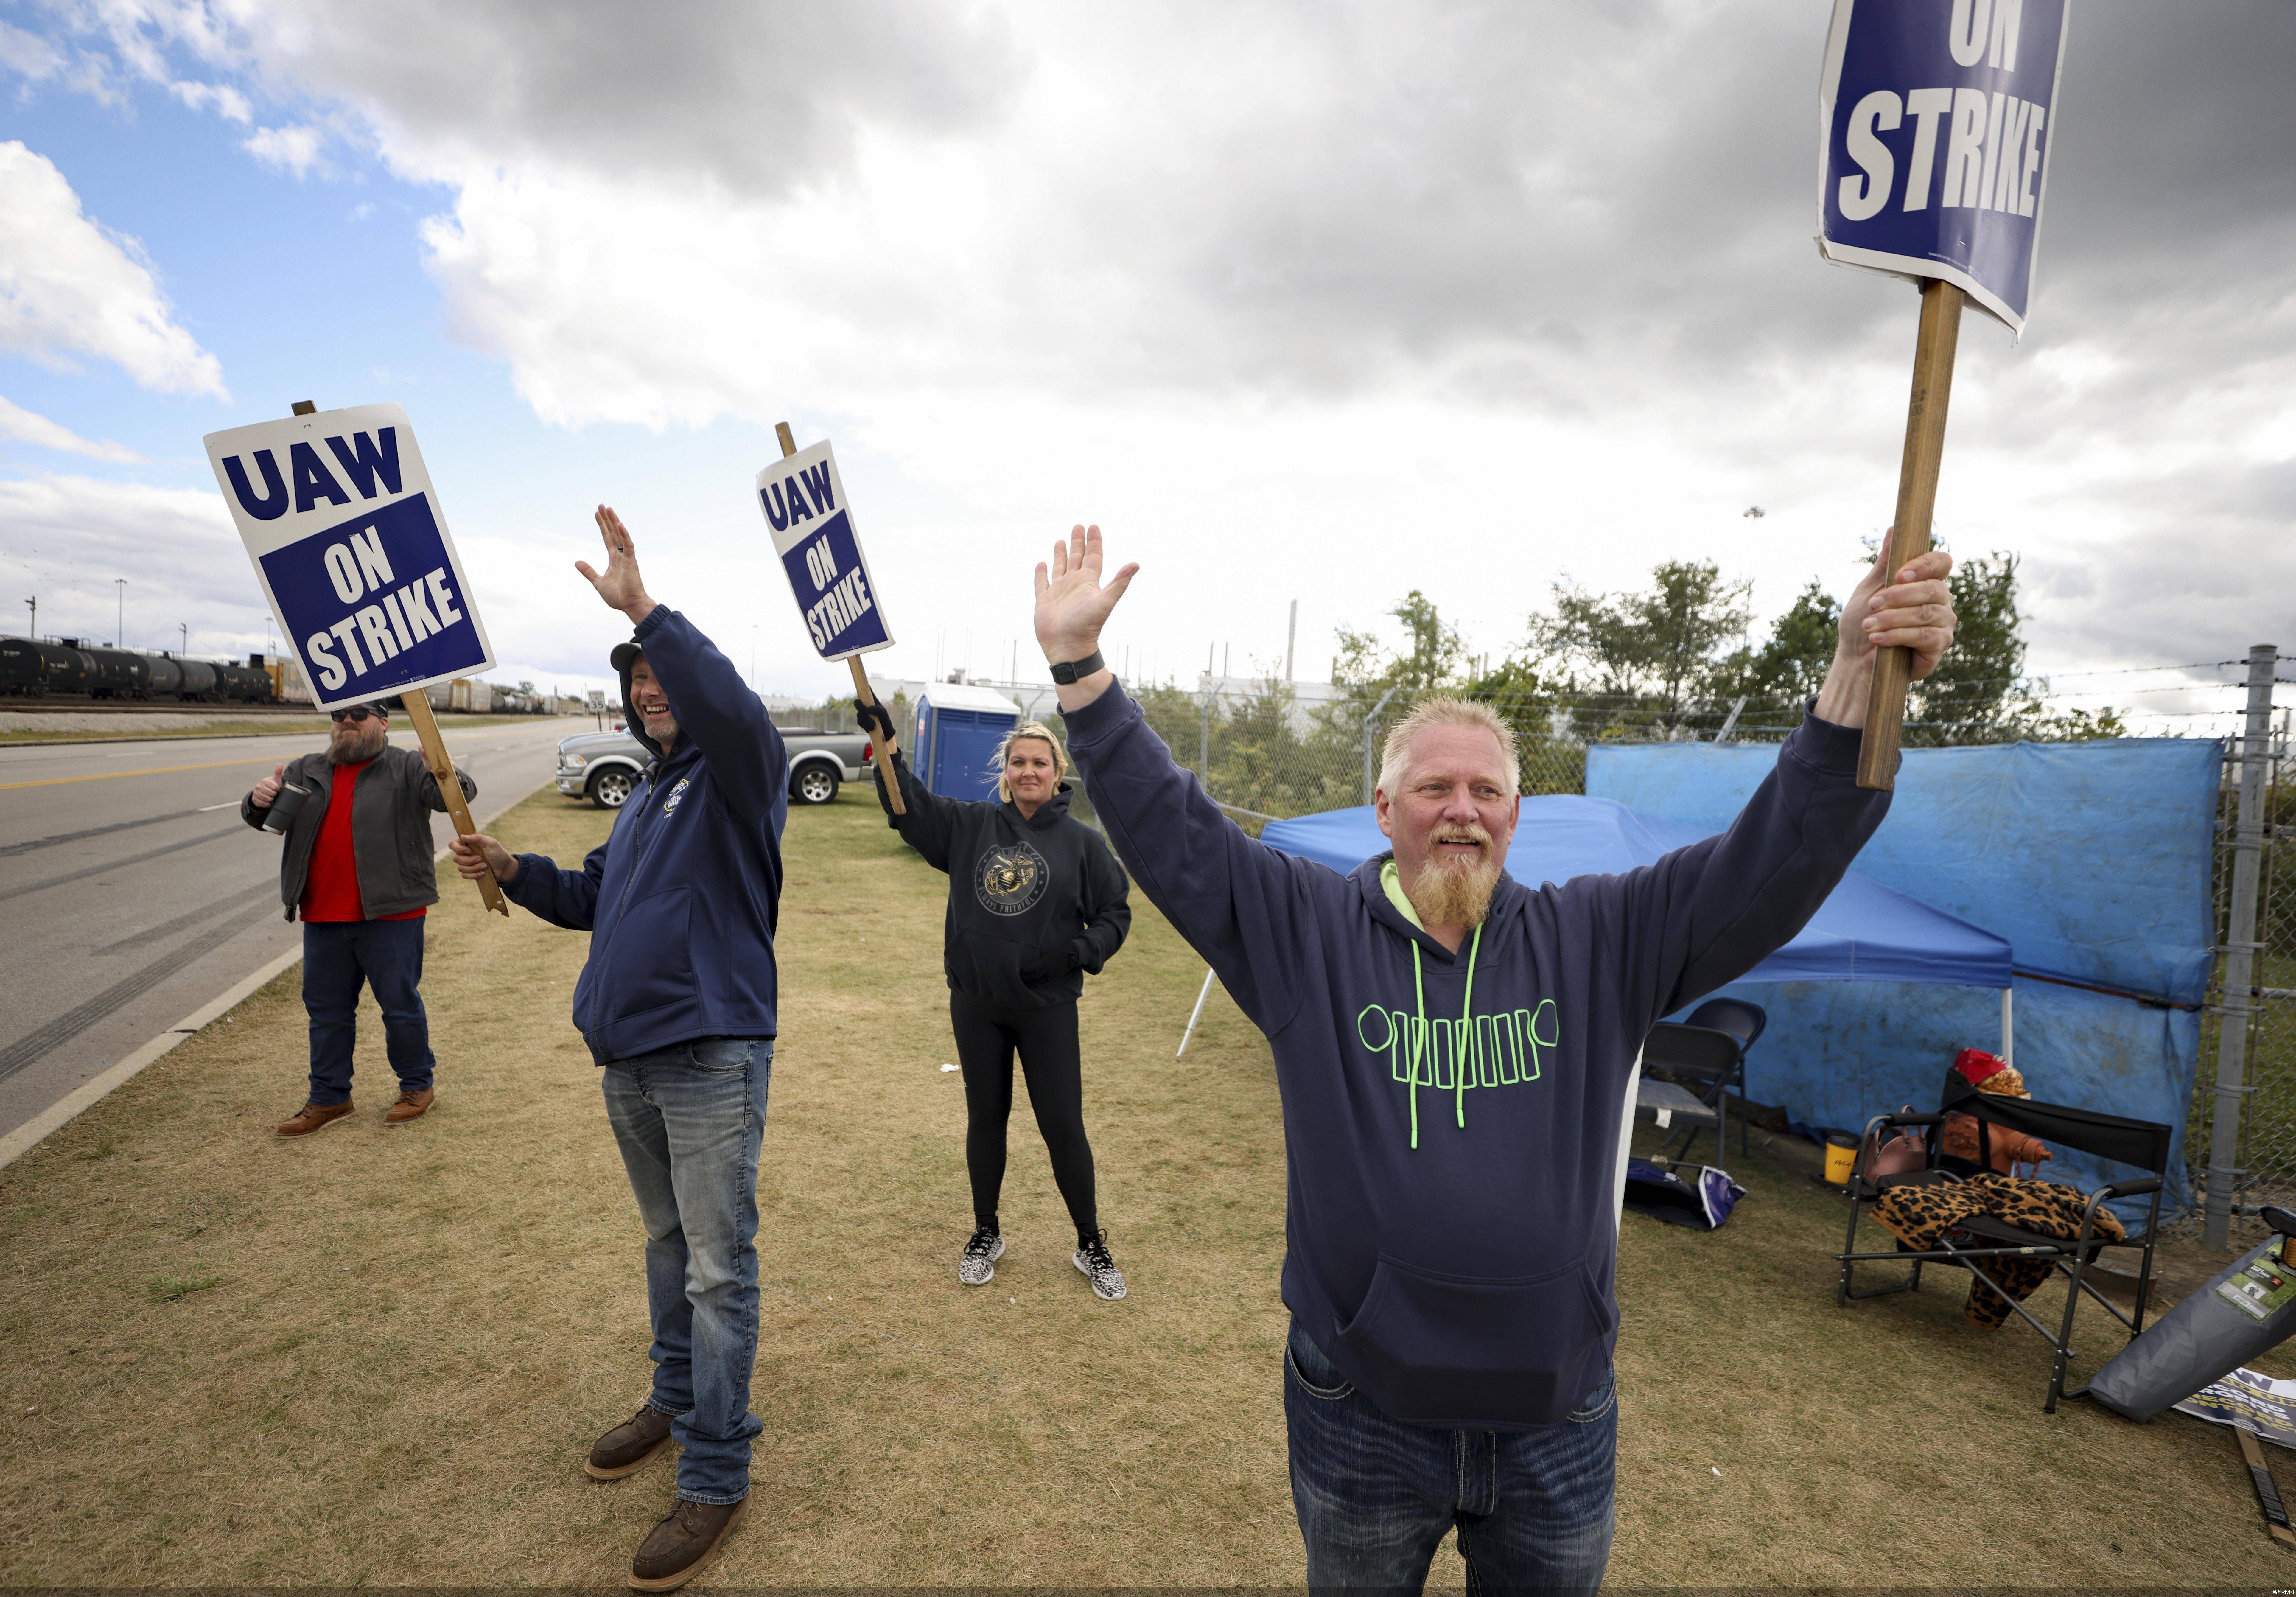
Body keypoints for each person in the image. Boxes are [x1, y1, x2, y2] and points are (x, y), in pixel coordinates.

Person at [1032, 524, 1957, 1591]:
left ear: (1516, 817)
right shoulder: (1303, 931)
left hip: (1555, 1416)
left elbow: (1772, 860)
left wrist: (1855, 673)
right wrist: (1080, 669)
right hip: (1363, 1404)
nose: (1461, 810)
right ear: (1385, 811)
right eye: (1433, 788)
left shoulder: (1601, 938)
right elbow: (1175, 832)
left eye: (1485, 791)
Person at [449, 507, 787, 1593]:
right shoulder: (648, 795)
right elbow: (594, 894)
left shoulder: (738, 774)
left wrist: (646, 609)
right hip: (629, 1059)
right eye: (636, 679)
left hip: (708, 1054)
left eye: (659, 674)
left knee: (719, 1266)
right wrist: (515, 869)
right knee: (666, 1246)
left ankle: (717, 1470)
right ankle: (676, 1399)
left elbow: (730, 705)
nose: (648, 689)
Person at [856, 705, 1133, 1297]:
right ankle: (986, 1231)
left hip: (1045, 1008)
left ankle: (1090, 1241)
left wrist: (1077, 951)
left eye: (1040, 762)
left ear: (1057, 772)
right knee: (986, 1118)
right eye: (1018, 762)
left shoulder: (1083, 845)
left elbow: (1116, 913)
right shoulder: (971, 825)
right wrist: (888, 747)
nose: (1028, 771)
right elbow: (910, 810)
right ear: (1005, 771)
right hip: (977, 1004)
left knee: (1063, 1126)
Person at [242, 696, 476, 1136]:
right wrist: (258, 800)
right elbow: (267, 820)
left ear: (383, 723)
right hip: (323, 915)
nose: (347, 721)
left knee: (399, 1005)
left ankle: (417, 1086)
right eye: (339, 715)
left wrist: (442, 770)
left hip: (393, 911)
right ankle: (330, 1097)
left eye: (359, 714)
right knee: (326, 1012)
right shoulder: (305, 770)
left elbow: (456, 800)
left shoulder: (407, 766)